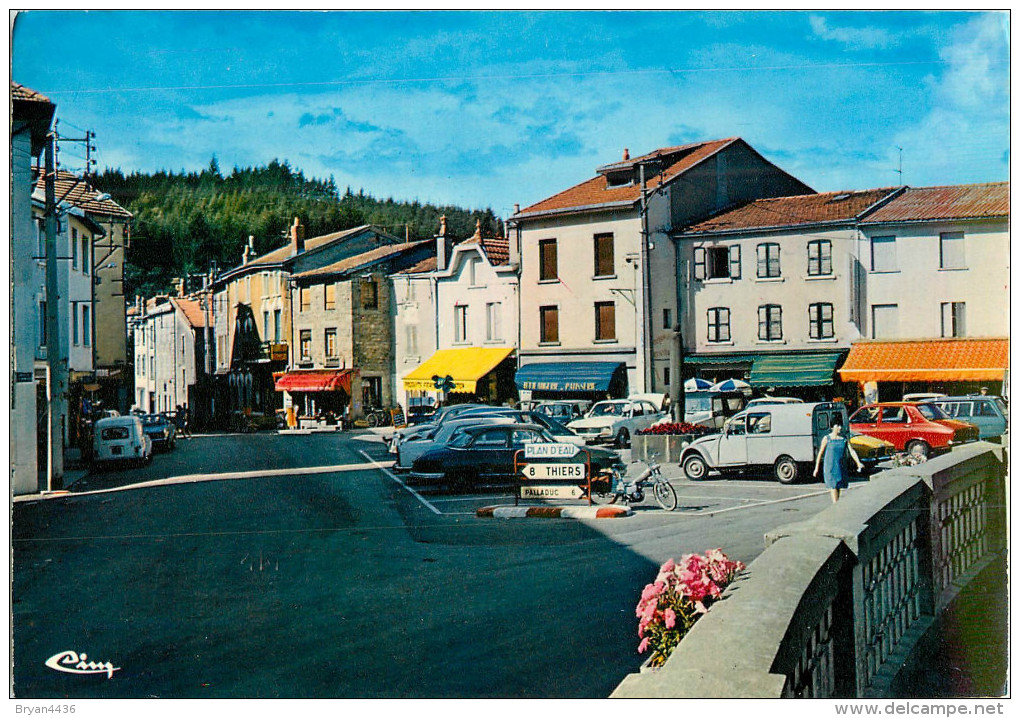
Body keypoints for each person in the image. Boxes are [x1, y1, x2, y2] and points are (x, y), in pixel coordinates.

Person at [813, 416, 864, 503]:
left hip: (840, 468)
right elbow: (820, 453)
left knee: (838, 489)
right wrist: (816, 468)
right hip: (830, 468)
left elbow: (851, 451)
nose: (840, 428)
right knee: (833, 488)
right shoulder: (827, 439)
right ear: (833, 427)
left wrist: (858, 462)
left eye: (841, 425)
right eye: (838, 425)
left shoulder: (844, 439)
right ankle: (836, 508)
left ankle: (836, 507)